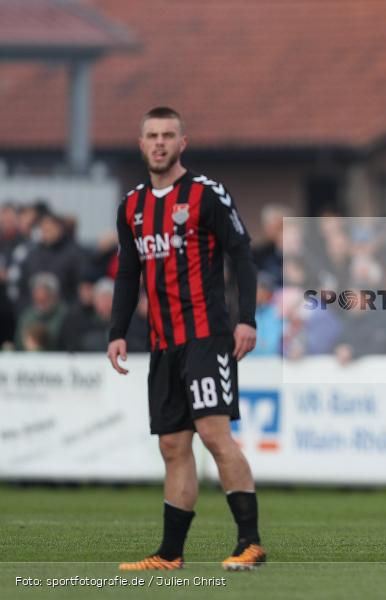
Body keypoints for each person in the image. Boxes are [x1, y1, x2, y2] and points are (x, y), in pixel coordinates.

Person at [108, 107, 265, 571]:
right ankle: (170, 553)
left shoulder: (206, 194)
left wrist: (247, 319)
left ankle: (250, 543)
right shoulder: (132, 205)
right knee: (173, 447)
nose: (159, 143)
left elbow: (242, 255)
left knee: (216, 436)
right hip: (162, 342)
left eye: (168, 135)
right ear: (142, 144)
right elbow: (127, 272)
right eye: (152, 135)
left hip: (206, 338)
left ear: (183, 142)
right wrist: (117, 331)